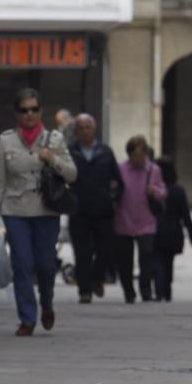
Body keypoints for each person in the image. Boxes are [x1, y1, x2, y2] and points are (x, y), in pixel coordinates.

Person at [0, 89, 77, 336]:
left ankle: (46, 302)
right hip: (15, 211)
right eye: (24, 110)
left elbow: (72, 174)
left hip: (46, 211)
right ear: (17, 113)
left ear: (41, 111)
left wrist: (52, 159)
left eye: (34, 109)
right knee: (22, 264)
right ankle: (27, 317)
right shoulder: (6, 141)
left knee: (45, 266)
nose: (30, 114)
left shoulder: (54, 139)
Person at [69, 114, 121, 304]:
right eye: (81, 127)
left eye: (88, 126)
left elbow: (119, 181)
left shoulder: (106, 152)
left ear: (95, 128)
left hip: (103, 211)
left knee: (104, 250)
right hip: (79, 211)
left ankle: (98, 277)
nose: (84, 130)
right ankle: (85, 290)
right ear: (76, 131)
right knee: (82, 253)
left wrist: (115, 198)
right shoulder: (70, 152)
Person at [113, 136, 167, 303]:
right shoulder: (120, 169)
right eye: (135, 155)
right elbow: (114, 188)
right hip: (124, 219)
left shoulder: (154, 169)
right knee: (125, 260)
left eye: (142, 155)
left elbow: (164, 191)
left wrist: (156, 192)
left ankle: (145, 290)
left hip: (146, 220)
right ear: (129, 155)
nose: (139, 159)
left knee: (146, 256)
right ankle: (129, 291)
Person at [153, 156, 192, 301]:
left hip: (156, 228)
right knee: (168, 262)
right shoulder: (178, 190)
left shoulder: (154, 190)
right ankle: (167, 290)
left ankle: (158, 290)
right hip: (173, 230)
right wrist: (191, 232)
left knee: (158, 261)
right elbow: (185, 213)